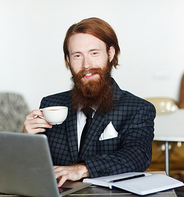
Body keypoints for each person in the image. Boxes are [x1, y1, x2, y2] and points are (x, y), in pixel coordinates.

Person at [23, 17, 156, 187]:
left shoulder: (138, 109)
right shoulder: (50, 103)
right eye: (77, 55)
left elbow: (137, 156)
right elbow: (35, 165)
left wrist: (81, 169)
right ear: (68, 60)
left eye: (94, 53)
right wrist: (27, 138)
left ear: (110, 54)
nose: (87, 65)